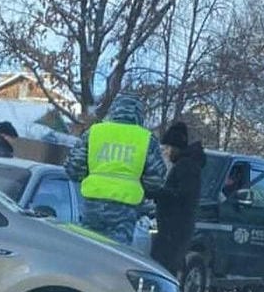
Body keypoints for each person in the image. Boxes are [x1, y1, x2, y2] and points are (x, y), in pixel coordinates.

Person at [64, 92, 167, 245]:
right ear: (139, 114)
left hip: (92, 205)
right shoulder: (146, 139)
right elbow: (156, 181)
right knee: (116, 252)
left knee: (88, 248)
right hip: (125, 210)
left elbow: (73, 167)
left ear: (114, 111)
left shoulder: (94, 132)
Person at [150, 121, 206, 276]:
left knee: (163, 267)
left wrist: (157, 193)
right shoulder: (187, 164)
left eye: (168, 148)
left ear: (176, 147)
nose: (166, 153)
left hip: (174, 227)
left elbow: (181, 195)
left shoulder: (186, 166)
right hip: (175, 227)